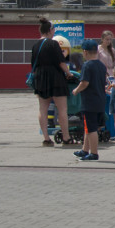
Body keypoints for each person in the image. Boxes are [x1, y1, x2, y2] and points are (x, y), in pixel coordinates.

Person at [30, 17, 72, 147]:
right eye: (54, 29)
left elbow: (33, 64)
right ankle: (66, 137)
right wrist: (69, 73)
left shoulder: (35, 45)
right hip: (56, 78)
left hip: (40, 77)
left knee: (43, 109)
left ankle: (46, 138)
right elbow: (61, 62)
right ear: (50, 30)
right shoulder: (53, 44)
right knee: (62, 109)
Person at [71, 39, 107, 161]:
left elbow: (85, 82)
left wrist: (76, 90)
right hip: (100, 100)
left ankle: (94, 153)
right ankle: (85, 150)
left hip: (89, 102)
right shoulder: (102, 66)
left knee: (91, 129)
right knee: (89, 127)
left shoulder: (87, 65)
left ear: (85, 52)